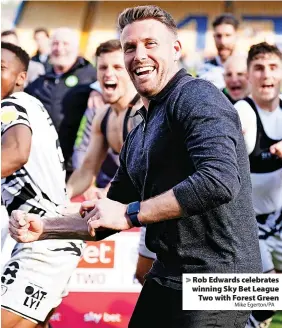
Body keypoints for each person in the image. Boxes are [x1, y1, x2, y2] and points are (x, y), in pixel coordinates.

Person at [9, 5, 262, 328]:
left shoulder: (198, 95)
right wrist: (45, 228)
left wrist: (131, 213)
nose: (138, 55)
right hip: (170, 272)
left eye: (150, 44)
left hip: (225, 278)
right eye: (130, 47)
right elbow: (109, 214)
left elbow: (219, 181)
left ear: (176, 49)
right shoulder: (141, 127)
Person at [1, 42, 84, 328]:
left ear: (21, 78)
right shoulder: (31, 105)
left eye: (0, 68)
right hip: (49, 236)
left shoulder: (11, 104)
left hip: (44, 242)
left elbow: (16, 153)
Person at [234, 42, 282, 328]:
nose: (266, 75)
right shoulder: (243, 112)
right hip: (249, 222)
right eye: (259, 68)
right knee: (265, 302)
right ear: (249, 75)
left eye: (273, 68)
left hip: (281, 217)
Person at [66, 39, 142, 200]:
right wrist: (60, 199)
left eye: (117, 67)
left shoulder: (141, 113)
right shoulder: (103, 115)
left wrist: (104, 194)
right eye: (103, 67)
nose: (108, 73)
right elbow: (86, 171)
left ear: (131, 71)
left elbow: (135, 173)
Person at [25, 27, 97, 179]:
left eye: (65, 44)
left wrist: (97, 90)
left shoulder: (90, 75)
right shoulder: (41, 80)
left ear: (77, 48)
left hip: (74, 164)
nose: (60, 48)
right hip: (41, 163)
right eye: (56, 44)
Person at [197, 13, 239, 89]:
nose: (223, 42)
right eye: (218, 36)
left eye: (228, 35)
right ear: (214, 37)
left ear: (236, 37)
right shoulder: (205, 71)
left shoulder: (248, 69)